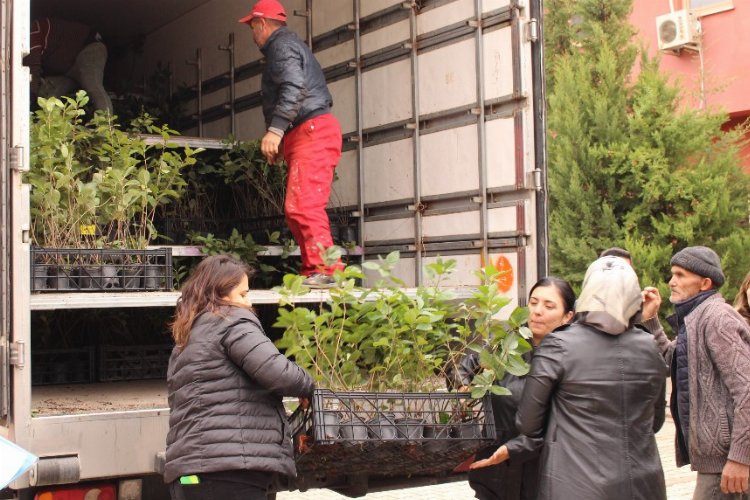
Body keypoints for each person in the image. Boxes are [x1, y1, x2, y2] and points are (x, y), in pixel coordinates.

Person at [164, 255, 315, 499]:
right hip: (229, 475)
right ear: (221, 295)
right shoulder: (231, 320)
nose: (249, 301)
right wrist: (308, 386)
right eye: (243, 294)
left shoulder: (188, 336)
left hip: (190, 476)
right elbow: (278, 373)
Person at [517, 256, 667, 500]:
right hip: (644, 484)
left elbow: (527, 423)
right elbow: (656, 421)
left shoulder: (559, 344)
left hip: (574, 484)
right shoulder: (650, 345)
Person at [239, 0, 343, 288]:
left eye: (252, 27)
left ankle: (329, 271)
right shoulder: (285, 46)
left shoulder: (280, 46)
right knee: (296, 208)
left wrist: (275, 130)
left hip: (313, 131)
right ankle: (315, 270)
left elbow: (294, 86)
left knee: (305, 205)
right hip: (308, 132)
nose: (252, 34)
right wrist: (282, 140)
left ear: (260, 23)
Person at [641, 246, 750, 499]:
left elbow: (747, 390)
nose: (671, 282)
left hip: (728, 462)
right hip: (720, 462)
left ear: (704, 283)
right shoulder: (697, 317)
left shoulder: (717, 319)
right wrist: (651, 320)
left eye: (680, 275)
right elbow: (671, 361)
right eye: (672, 274)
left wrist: (741, 458)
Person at [452, 277, 575, 500]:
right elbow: (464, 366)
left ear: (568, 316)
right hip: (495, 477)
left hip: (546, 481)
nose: (537, 311)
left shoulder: (573, 359)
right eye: (533, 302)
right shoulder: (506, 347)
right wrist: (463, 386)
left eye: (549, 306)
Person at [26, 17, 113, 113]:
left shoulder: (32, 32)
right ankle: (49, 125)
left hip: (87, 49)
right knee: (50, 93)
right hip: (66, 68)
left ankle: (106, 125)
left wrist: (30, 96)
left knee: (93, 86)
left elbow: (33, 70)